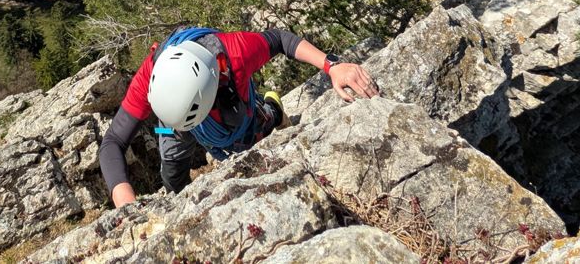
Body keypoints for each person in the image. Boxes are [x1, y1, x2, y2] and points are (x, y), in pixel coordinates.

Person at [99, 26, 379, 208]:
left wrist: (332, 65)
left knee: (248, 138)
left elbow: (280, 39)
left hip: (230, 107)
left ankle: (272, 110)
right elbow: (113, 142)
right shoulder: (152, 74)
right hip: (173, 125)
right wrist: (126, 204)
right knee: (172, 175)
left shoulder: (234, 53)